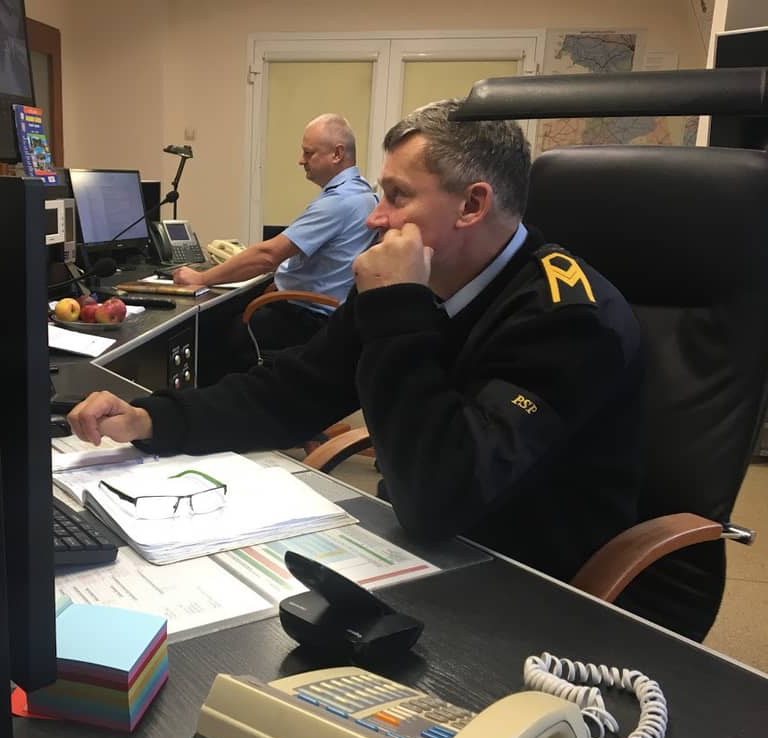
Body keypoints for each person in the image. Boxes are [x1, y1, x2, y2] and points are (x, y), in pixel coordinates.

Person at [69, 99, 675, 631]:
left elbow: (442, 496)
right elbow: (291, 391)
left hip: (528, 584)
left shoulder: (568, 318)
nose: (374, 217)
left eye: (397, 196)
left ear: (472, 204)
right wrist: (152, 419)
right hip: (422, 550)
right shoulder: (414, 281)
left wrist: (397, 310)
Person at [175, 113, 377, 380]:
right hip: (324, 318)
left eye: (309, 152)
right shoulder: (363, 194)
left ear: (337, 154)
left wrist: (201, 278)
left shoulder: (339, 202)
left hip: (308, 320)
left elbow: (268, 256)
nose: (301, 160)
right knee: (228, 313)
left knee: (209, 332)